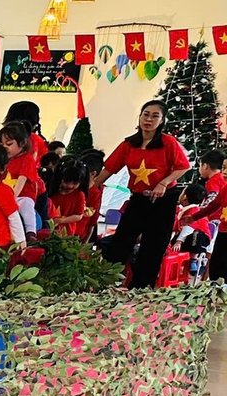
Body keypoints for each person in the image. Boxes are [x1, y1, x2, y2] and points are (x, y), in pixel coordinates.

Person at [93, 99, 192, 288]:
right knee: (121, 241)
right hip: (139, 198)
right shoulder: (129, 144)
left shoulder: (168, 142)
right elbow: (110, 168)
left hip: (164, 200)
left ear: (162, 120)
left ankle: (141, 289)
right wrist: (92, 186)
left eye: (155, 116)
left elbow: (183, 166)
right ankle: (108, 283)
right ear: (139, 117)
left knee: (153, 246)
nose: (149, 119)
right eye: (146, 114)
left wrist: (163, 183)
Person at [178, 150, 227, 280]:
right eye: (223, 168)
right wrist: (194, 217)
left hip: (215, 223)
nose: (225, 172)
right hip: (222, 229)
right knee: (217, 263)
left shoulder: (214, 182)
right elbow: (214, 205)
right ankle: (215, 285)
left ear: (205, 165)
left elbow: (211, 201)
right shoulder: (224, 187)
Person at [46, 161, 95, 239]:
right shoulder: (51, 190)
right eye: (66, 182)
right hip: (46, 230)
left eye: (75, 183)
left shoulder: (79, 195)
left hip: (67, 234)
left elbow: (79, 215)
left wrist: (61, 220)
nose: (70, 186)